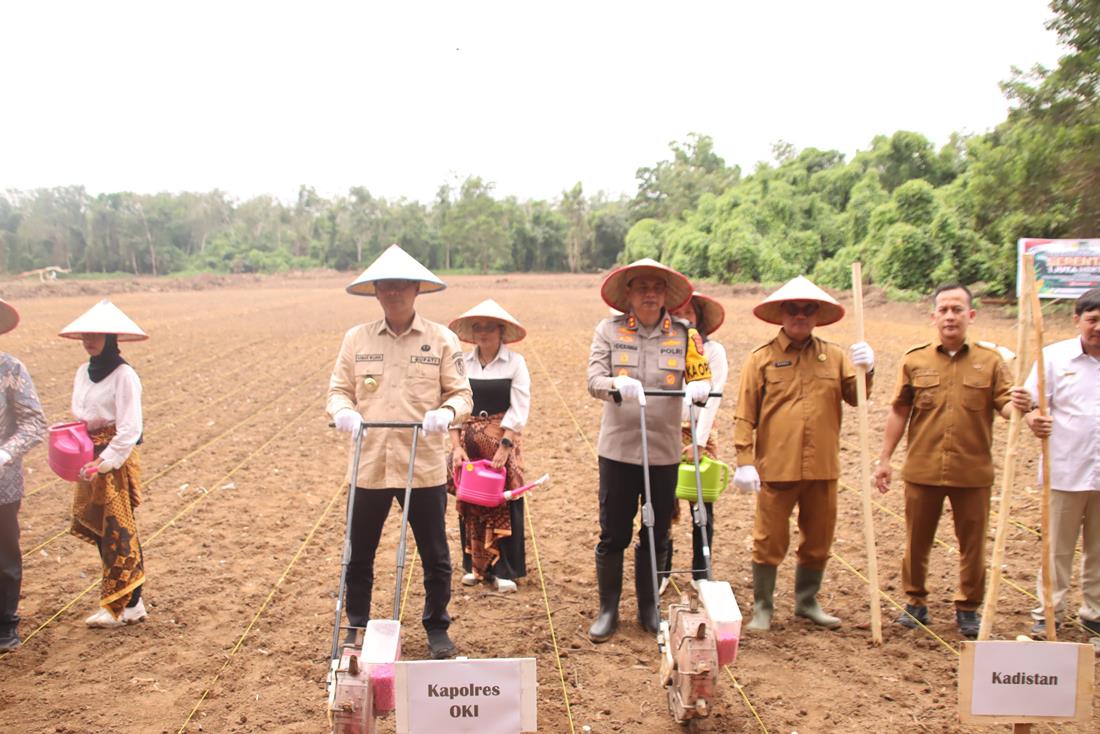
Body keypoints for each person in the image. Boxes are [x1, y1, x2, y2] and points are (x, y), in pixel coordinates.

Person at [327, 244, 472, 659]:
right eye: (385, 285)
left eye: (401, 285)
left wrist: (446, 412)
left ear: (416, 290)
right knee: (358, 553)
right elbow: (338, 390)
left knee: (435, 554)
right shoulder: (357, 339)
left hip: (421, 465)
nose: (393, 292)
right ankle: (356, 624)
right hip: (369, 463)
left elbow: (462, 394)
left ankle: (436, 626)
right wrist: (344, 411)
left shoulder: (441, 339)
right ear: (375, 291)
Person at [733, 276, 874, 632]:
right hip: (776, 468)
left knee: (819, 539)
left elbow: (857, 398)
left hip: (822, 467)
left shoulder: (836, 357)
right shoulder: (761, 359)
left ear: (817, 315)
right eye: (793, 309)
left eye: (808, 309)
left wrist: (867, 369)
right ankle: (763, 606)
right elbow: (744, 414)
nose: (800, 315)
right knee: (768, 540)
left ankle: (807, 601)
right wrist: (745, 461)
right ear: (782, 313)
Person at [874, 283, 1013, 639]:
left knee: (973, 543)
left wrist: (1022, 410)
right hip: (924, 468)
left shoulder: (991, 362)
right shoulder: (915, 360)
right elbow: (899, 411)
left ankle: (968, 607)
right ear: (934, 316)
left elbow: (1006, 404)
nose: (950, 316)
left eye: (957, 309)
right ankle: (915, 602)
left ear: (971, 315)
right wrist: (885, 459)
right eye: (944, 310)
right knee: (916, 540)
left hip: (973, 471)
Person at [586, 258, 712, 642]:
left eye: (657, 288)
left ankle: (648, 608)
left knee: (655, 533)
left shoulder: (685, 334)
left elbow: (700, 374)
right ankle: (608, 609)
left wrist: (700, 389)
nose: (650, 294)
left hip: (663, 451)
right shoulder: (608, 330)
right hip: (619, 450)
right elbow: (593, 379)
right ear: (629, 294)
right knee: (614, 532)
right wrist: (615, 385)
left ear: (666, 295)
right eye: (641, 287)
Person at [1010, 287, 1100, 638]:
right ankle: (1048, 612)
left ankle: (1094, 615)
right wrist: (1032, 416)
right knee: (1056, 550)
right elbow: (1028, 403)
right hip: (1065, 471)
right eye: (1092, 319)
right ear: (1077, 320)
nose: (1098, 327)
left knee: (1098, 551)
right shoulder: (1053, 358)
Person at [60, 299, 149, 628]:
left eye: (96, 334)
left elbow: (130, 429)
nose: (89, 339)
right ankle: (119, 600)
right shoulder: (83, 372)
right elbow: (80, 416)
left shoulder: (125, 376)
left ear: (111, 338)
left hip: (114, 459)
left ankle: (130, 603)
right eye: (85, 334)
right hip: (87, 455)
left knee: (120, 529)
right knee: (100, 529)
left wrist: (106, 461)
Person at [447, 299, 531, 594]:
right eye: (478, 328)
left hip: (502, 443)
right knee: (470, 501)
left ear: (501, 331)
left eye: (489, 327)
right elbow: (454, 404)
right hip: (468, 445)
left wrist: (506, 445)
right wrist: (456, 446)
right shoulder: (462, 364)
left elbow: (519, 407)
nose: (483, 333)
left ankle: (505, 569)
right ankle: (475, 567)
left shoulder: (515, 363)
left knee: (502, 501)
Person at [661, 291, 728, 591]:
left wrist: (699, 440)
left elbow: (713, 398)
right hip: (667, 432)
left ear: (699, 317)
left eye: (690, 313)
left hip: (700, 429)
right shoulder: (665, 350)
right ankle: (662, 569)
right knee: (663, 502)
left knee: (701, 502)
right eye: (678, 313)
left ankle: (702, 572)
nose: (684, 319)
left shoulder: (714, 352)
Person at [0, 298, 47, 652]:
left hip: (3, 483)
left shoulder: (10, 369)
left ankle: (6, 624)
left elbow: (34, 422)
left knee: (4, 554)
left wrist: (6, 452)